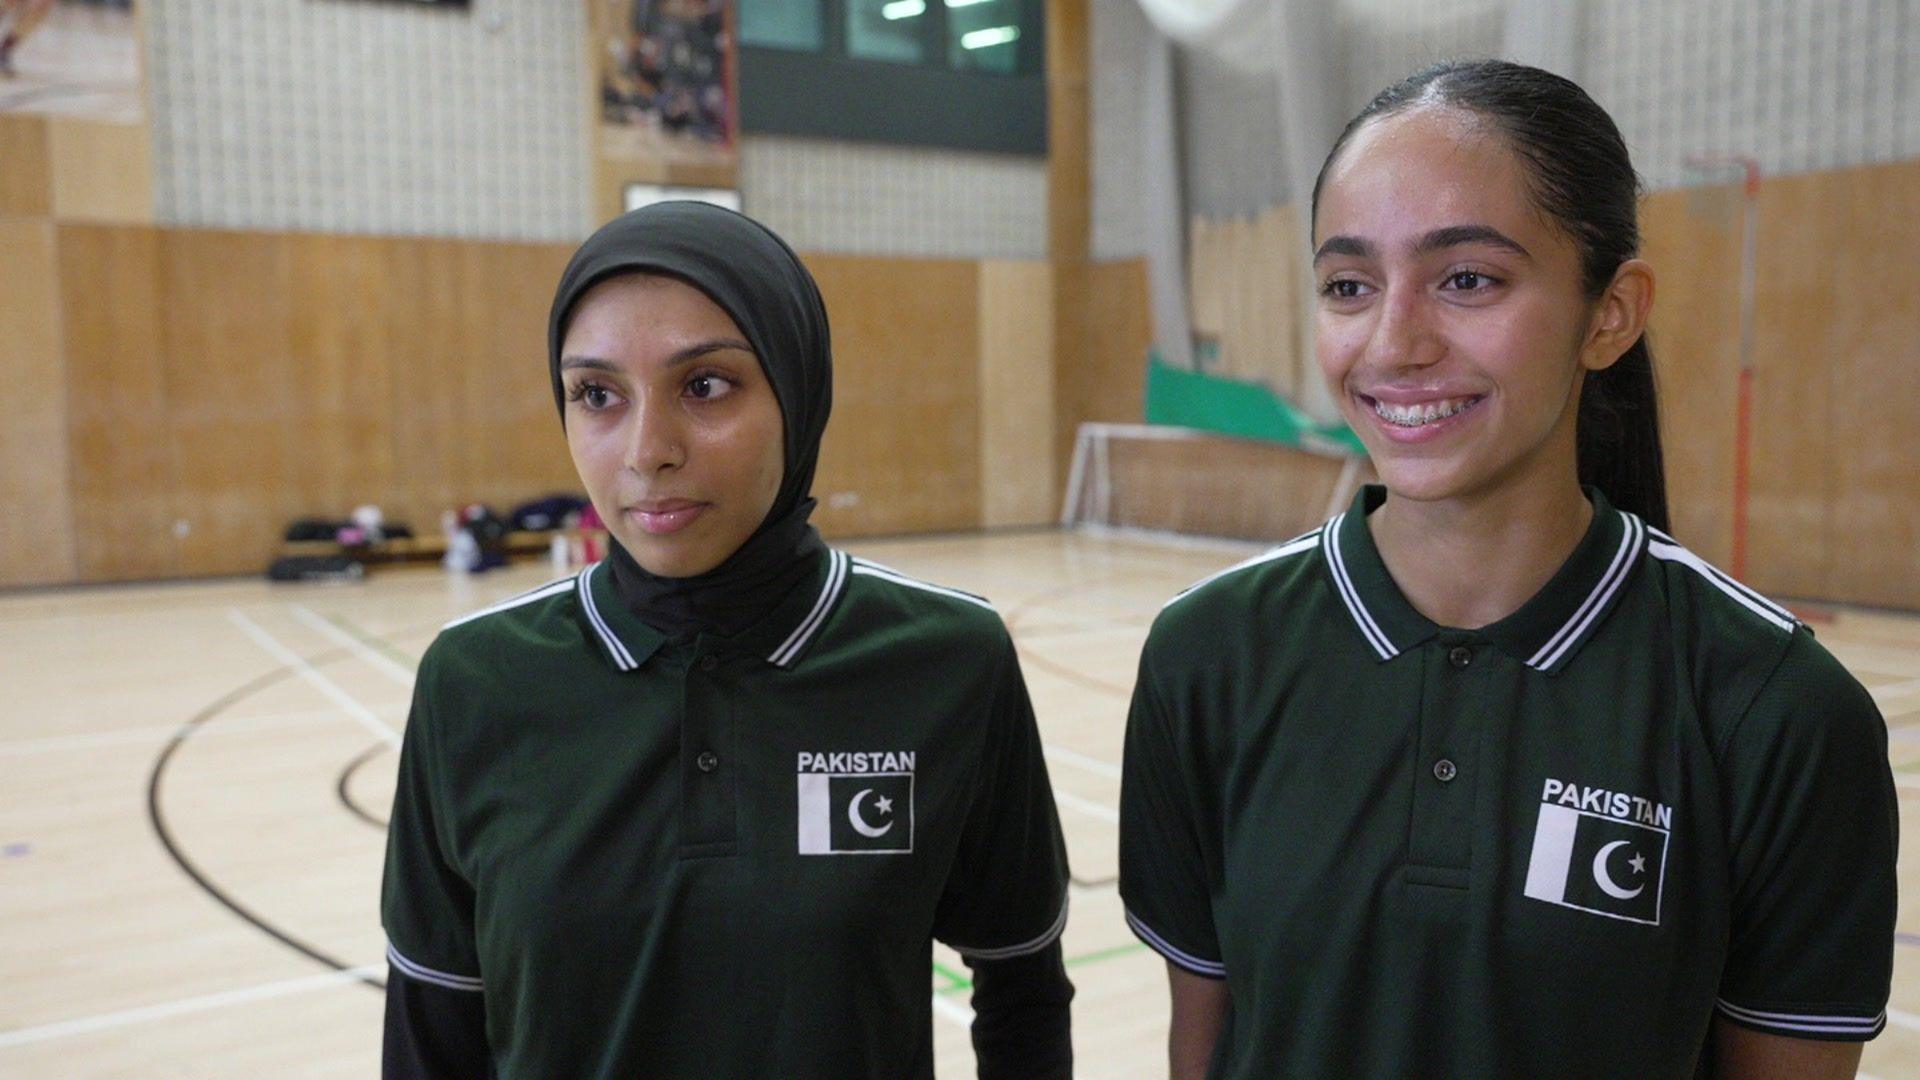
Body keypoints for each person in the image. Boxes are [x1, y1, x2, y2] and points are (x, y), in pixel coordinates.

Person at [1117, 60, 1895, 1079]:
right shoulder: (1209, 655)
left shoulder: (1775, 710)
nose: (1394, 343)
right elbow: (1209, 1042)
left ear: (1610, 313)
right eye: (1349, 285)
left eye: (1467, 279)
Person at [382, 201, 1073, 1078]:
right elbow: (430, 1039)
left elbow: (1021, 991)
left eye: (705, 385)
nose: (648, 450)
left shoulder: (950, 661)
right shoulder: (473, 681)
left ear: (797, 390)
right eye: (598, 395)